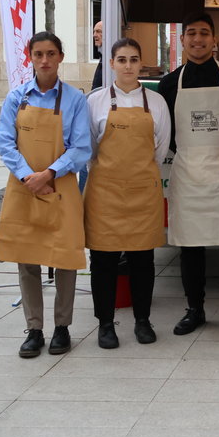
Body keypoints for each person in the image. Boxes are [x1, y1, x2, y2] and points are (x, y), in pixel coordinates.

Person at [0, 32, 92, 358]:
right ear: (30, 57)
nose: (45, 60)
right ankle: (34, 328)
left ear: (61, 57)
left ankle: (62, 327)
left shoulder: (75, 100)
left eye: (51, 53)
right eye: (39, 54)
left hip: (60, 186)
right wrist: (28, 176)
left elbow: (81, 148)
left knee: (65, 257)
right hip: (23, 188)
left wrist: (49, 173)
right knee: (27, 259)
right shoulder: (16, 98)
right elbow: (4, 142)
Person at [158, 11, 219, 336]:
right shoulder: (169, 84)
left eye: (203, 33)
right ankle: (194, 309)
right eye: (191, 33)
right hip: (188, 176)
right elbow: (165, 133)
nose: (197, 39)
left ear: (214, 40)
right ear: (182, 40)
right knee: (190, 249)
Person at [85, 37, 171, 348]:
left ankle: (143, 321)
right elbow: (90, 148)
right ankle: (105, 324)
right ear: (111, 63)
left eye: (134, 59)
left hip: (142, 192)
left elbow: (160, 149)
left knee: (142, 260)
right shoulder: (94, 102)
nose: (128, 66)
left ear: (141, 63)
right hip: (104, 191)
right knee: (103, 261)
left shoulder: (156, 103)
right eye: (121, 60)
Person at [91, 20, 104, 91]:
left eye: (98, 31)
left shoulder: (111, 57)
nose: (94, 35)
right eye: (94, 31)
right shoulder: (103, 56)